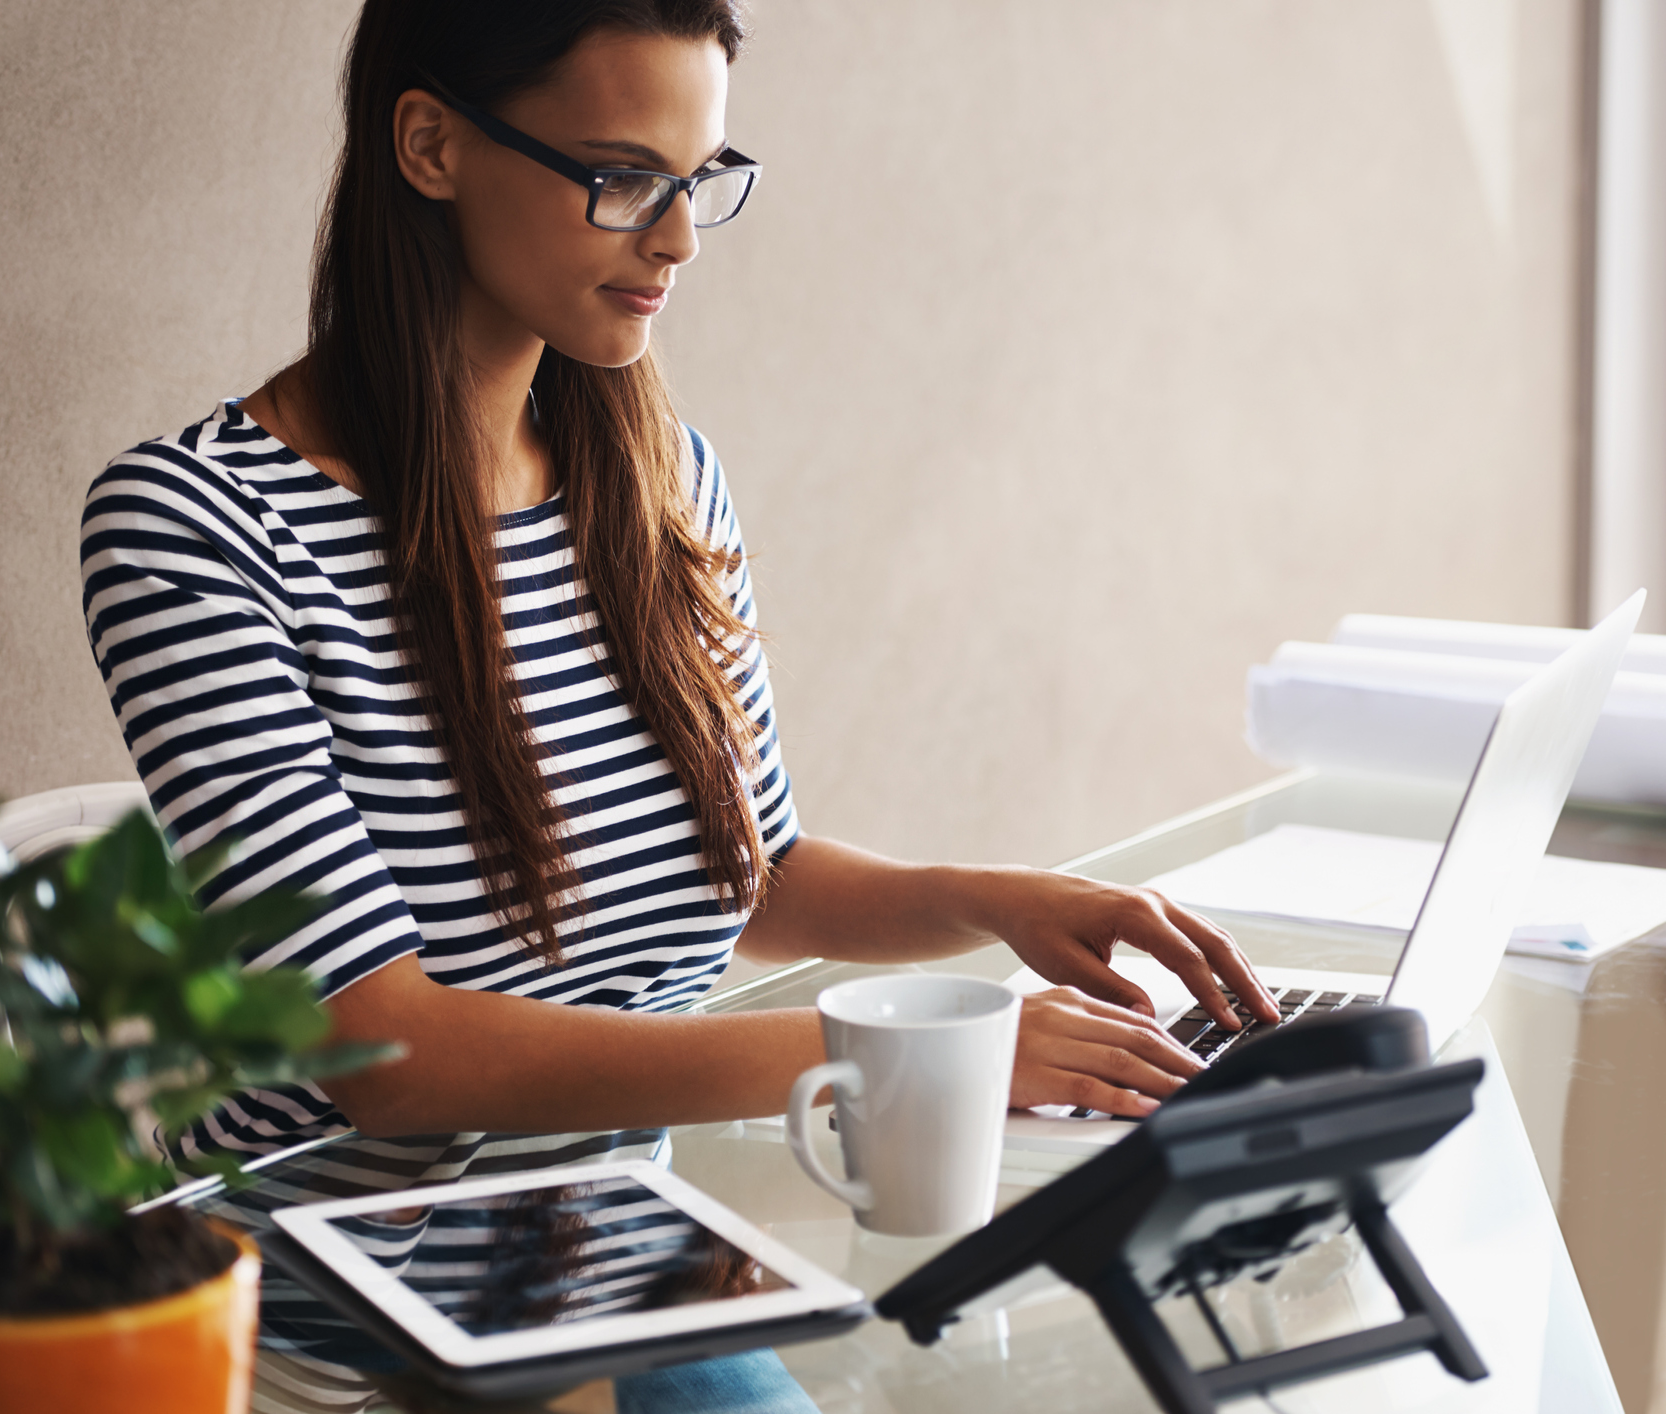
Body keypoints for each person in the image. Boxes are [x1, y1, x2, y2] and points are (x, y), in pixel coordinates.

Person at [79, 2, 1276, 1408]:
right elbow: (382, 1053)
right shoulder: (198, 527)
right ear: (431, 143)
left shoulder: (658, 478)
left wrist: (1003, 900)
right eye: (623, 176)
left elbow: (745, 874)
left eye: (700, 178)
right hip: (336, 1310)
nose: (678, 239)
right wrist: (903, 1069)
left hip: (620, 1265)